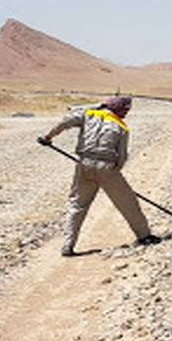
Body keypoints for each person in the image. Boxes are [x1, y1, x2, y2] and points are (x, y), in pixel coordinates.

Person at [40, 95, 161, 256]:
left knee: (77, 205)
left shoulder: (88, 114)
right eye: (125, 109)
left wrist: (48, 137)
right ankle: (144, 236)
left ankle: (68, 245)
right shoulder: (121, 127)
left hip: (83, 164)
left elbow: (65, 122)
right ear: (117, 109)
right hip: (107, 167)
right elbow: (122, 156)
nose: (126, 113)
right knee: (127, 202)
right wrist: (114, 174)